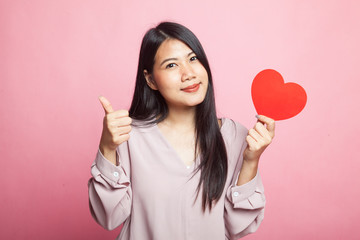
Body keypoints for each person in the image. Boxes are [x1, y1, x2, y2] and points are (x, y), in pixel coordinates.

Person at [88, 21, 275, 240]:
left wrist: (251, 160)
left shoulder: (235, 136)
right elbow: (107, 217)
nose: (188, 73)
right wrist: (107, 148)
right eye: (171, 65)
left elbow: (239, 227)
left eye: (193, 59)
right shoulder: (129, 136)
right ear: (150, 80)